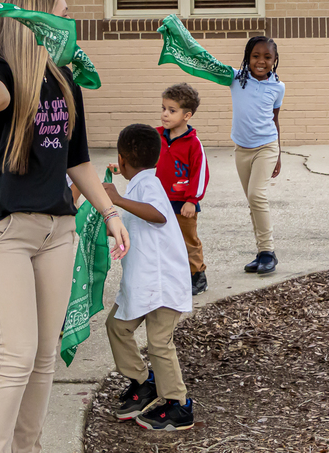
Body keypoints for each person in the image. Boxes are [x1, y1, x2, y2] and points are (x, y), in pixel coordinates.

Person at [0, 0, 129, 453]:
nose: (70, 22)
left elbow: (76, 159)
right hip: (4, 230)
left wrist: (108, 211)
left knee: (43, 357)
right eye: (62, 14)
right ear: (38, 19)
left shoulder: (65, 79)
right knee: (16, 356)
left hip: (57, 230)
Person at [102, 124, 195, 431]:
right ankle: (145, 382)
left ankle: (178, 404)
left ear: (122, 159)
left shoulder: (149, 186)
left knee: (159, 342)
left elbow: (158, 215)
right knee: (117, 326)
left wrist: (116, 198)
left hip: (163, 284)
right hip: (145, 283)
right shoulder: (140, 183)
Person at [231, 36, 285, 276]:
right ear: (247, 57)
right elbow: (205, 64)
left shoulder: (277, 87)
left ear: (274, 60)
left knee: (257, 196)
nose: (261, 61)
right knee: (253, 202)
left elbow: (275, 119)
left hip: (266, 147)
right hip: (242, 149)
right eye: (256, 56)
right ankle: (263, 252)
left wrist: (279, 153)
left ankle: (268, 252)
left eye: (267, 57)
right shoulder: (235, 79)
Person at [155, 83, 209, 296]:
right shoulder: (156, 136)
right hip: (160, 200)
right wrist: (123, 167)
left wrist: (192, 200)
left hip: (183, 202)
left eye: (171, 110)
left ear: (187, 115)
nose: (165, 115)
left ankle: (197, 275)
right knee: (164, 240)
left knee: (188, 240)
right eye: (163, 109)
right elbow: (143, 159)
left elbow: (200, 173)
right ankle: (171, 275)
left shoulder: (193, 143)